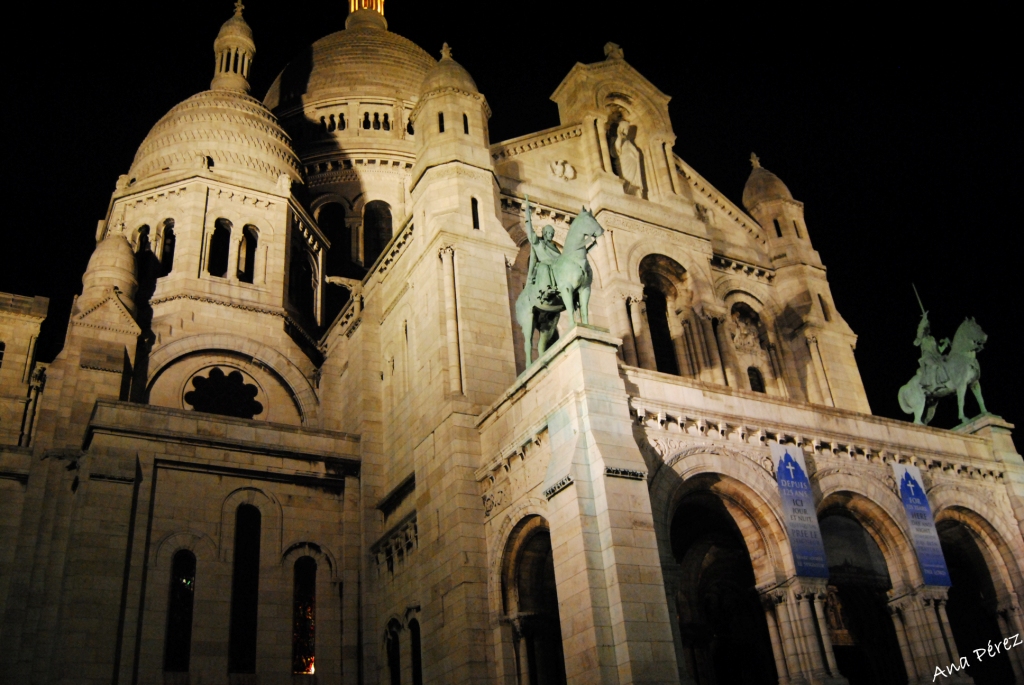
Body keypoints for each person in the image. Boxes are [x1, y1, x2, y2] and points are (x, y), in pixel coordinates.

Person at [524, 197, 561, 294]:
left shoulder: (555, 248)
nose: (551, 235)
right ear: (544, 233)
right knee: (544, 267)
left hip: (556, 267)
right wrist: (527, 216)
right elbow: (530, 232)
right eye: (549, 233)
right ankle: (546, 290)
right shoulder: (538, 243)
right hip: (544, 266)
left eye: (552, 234)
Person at [914, 312, 949, 390]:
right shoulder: (922, 338)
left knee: (945, 362)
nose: (927, 327)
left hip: (936, 356)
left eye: (928, 326)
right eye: (926, 326)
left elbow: (939, 350)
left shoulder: (932, 338)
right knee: (934, 365)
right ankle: (934, 385)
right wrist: (923, 320)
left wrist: (944, 345)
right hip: (927, 356)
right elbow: (919, 330)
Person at [612, 120, 643, 194]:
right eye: (626, 129)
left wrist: (634, 156)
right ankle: (627, 188)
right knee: (625, 178)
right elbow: (616, 149)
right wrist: (619, 137)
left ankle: (634, 188)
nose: (627, 131)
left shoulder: (628, 142)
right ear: (621, 129)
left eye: (628, 129)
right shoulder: (617, 139)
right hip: (624, 161)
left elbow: (637, 153)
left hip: (632, 163)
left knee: (633, 182)